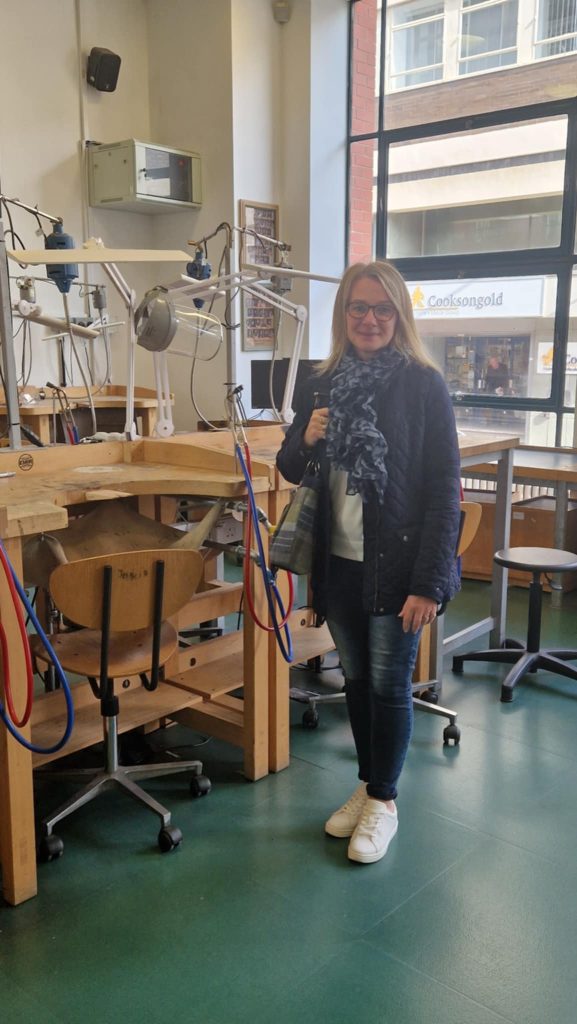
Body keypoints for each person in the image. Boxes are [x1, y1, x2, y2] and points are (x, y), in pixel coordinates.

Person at [276, 260, 461, 865]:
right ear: (343, 314)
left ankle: (384, 800)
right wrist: (306, 437)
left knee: (388, 686)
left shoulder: (422, 384)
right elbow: (290, 467)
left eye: (383, 309)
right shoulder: (323, 383)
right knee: (355, 680)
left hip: (399, 566)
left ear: (399, 316)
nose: (370, 319)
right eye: (358, 307)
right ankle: (366, 785)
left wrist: (431, 583)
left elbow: (444, 489)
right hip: (339, 561)